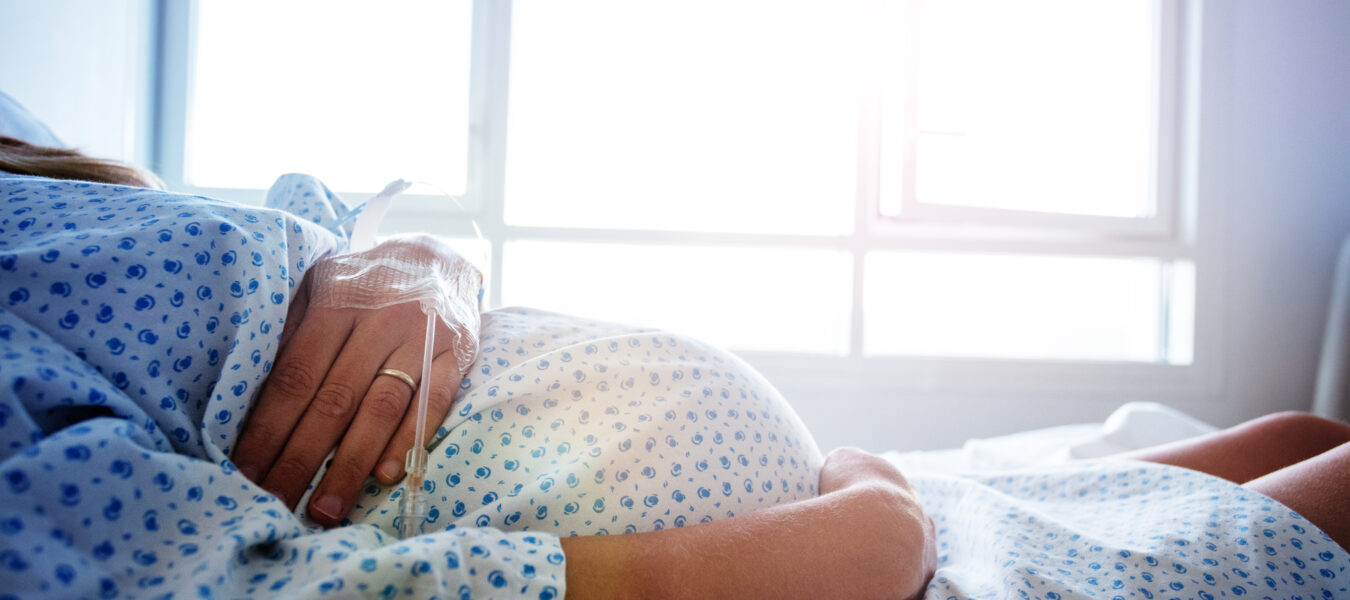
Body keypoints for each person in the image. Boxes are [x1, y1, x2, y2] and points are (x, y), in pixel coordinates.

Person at [1, 96, 1347, 598]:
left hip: (844, 518)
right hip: (810, 571)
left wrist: (420, 265)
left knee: (1299, 437)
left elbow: (271, 253)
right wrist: (855, 550)